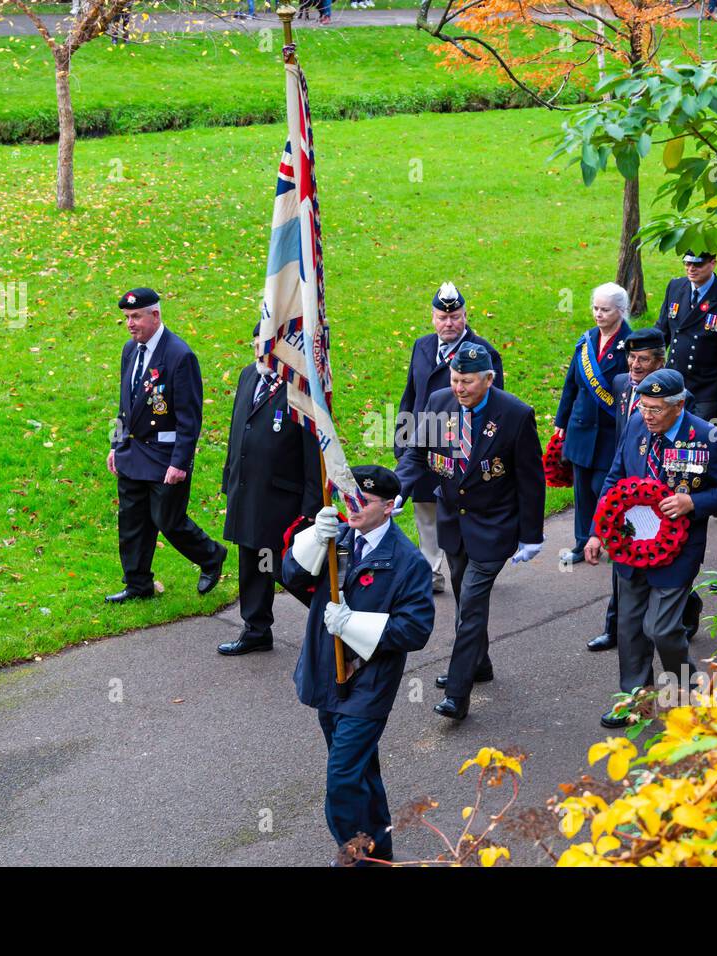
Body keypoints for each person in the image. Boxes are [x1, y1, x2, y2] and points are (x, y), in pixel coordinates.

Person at [283, 465, 434, 864]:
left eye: (363, 502)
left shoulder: (408, 562)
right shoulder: (339, 538)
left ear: (388, 508)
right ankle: (379, 849)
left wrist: (354, 626)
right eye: (350, 498)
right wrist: (315, 538)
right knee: (362, 771)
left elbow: (416, 629)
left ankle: (354, 854)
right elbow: (290, 576)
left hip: (368, 684)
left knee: (342, 779)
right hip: (326, 675)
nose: (353, 507)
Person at [584, 369, 717, 727]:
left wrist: (694, 502)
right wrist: (596, 532)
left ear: (679, 405)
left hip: (678, 550)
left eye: (656, 409)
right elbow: (615, 478)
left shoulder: (707, 437)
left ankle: (686, 690)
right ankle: (635, 701)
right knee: (628, 628)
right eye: (643, 407)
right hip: (630, 545)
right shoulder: (636, 426)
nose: (648, 415)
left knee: (660, 628)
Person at [395, 340, 546, 721]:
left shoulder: (514, 415)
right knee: (464, 596)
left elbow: (532, 480)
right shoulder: (440, 402)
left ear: (489, 379)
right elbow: (416, 452)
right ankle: (480, 663)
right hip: (454, 521)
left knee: (472, 607)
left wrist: (532, 534)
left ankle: (458, 695)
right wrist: (400, 488)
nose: (460, 388)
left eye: (468, 382)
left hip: (495, 525)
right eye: (455, 379)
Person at [106, 288, 227, 603]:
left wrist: (180, 463)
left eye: (136, 317)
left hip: (164, 456)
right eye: (127, 318)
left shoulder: (179, 356)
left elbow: (190, 418)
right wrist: (116, 445)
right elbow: (125, 407)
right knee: (132, 521)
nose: (130, 324)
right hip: (133, 453)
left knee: (168, 520)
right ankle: (138, 584)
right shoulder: (130, 351)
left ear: (155, 315)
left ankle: (211, 556)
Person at [588, 326, 698, 653]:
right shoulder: (623, 384)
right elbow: (625, 439)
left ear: (660, 362)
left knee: (664, 572)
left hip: (665, 500)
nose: (635, 365)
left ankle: (685, 610)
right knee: (625, 563)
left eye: (644, 359)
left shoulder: (682, 407)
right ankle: (614, 627)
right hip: (630, 484)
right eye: (631, 357)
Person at [395, 282, 504, 595]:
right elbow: (411, 395)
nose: (448, 323)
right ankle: (432, 570)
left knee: (462, 509)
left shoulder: (482, 353)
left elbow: (497, 406)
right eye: (442, 318)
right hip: (424, 442)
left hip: (462, 449)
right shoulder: (422, 346)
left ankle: (474, 564)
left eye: (455, 316)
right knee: (425, 508)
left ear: (465, 316)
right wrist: (403, 441)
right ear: (432, 318)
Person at [217, 341, 324, 656]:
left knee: (290, 570)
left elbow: (313, 452)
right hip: (248, 489)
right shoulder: (249, 375)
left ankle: (337, 624)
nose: (259, 353)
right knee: (251, 559)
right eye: (256, 346)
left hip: (283, 497)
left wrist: (312, 508)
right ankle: (256, 629)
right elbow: (239, 429)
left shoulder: (299, 388)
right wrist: (230, 478)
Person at [554, 282, 634, 564]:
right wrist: (561, 420)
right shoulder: (586, 340)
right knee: (582, 489)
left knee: (604, 489)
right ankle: (580, 543)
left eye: (605, 309)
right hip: (581, 427)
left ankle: (612, 536)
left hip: (611, 431)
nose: (598, 314)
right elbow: (571, 385)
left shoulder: (630, 345)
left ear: (621, 311)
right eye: (595, 308)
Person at [655, 251, 717, 421]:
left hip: (706, 390)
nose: (691, 269)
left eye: (697, 265)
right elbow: (662, 331)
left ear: (713, 263)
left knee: (697, 442)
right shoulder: (675, 287)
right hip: (674, 382)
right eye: (687, 264)